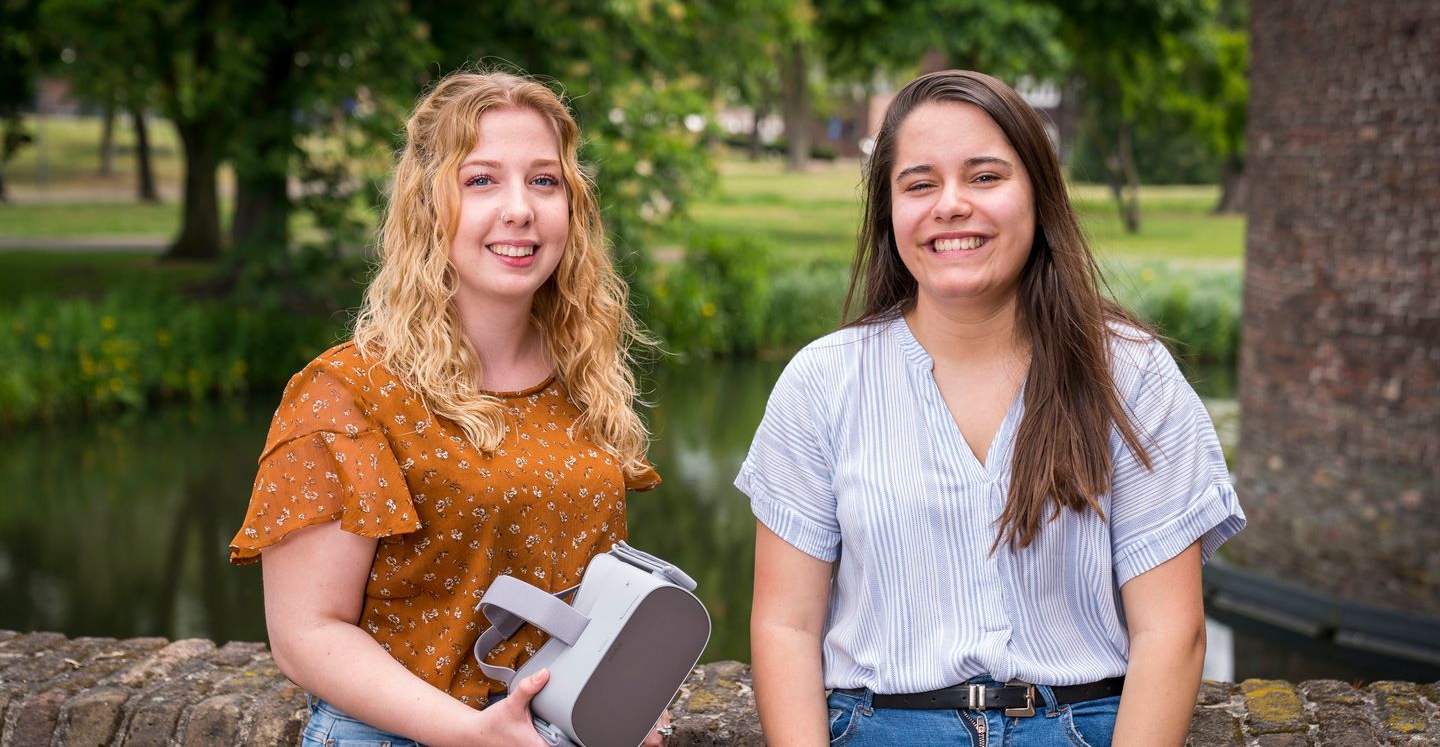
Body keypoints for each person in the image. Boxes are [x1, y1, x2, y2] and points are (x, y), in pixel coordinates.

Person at [737, 70, 1245, 747]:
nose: (951, 205)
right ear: (889, 211)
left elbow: (1170, 632)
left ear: (1038, 191)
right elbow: (785, 627)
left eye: (984, 177)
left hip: (1079, 728)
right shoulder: (823, 382)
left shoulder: (1132, 373)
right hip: (879, 727)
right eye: (920, 184)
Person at [230, 70, 667, 747]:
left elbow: (584, 602)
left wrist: (624, 701)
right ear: (429, 206)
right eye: (482, 180)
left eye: (544, 181)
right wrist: (472, 733)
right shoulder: (349, 392)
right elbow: (305, 634)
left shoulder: (585, 380)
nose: (520, 209)